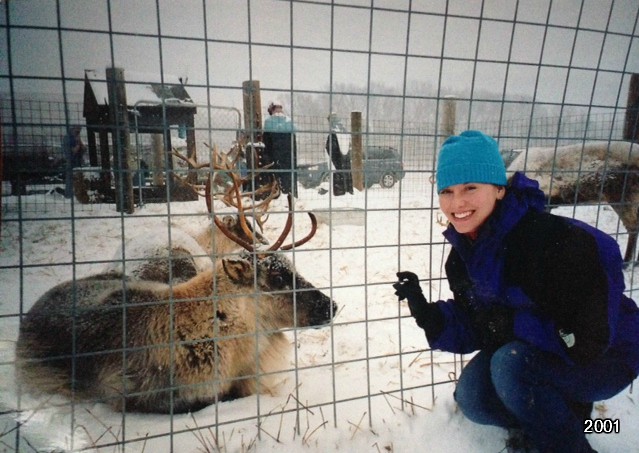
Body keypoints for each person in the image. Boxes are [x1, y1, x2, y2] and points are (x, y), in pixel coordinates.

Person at [393, 130, 639, 453]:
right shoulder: (463, 257)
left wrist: (514, 325)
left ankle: (569, 443)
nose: (457, 202)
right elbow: (480, 325)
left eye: (470, 187)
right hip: (539, 351)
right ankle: (554, 423)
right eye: (447, 191)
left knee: (509, 367)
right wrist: (430, 316)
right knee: (473, 396)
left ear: (499, 189)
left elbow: (588, 334)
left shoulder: (546, 240)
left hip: (607, 353)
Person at [263, 100, 297, 197]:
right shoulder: (289, 122)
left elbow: (267, 143)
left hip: (274, 155)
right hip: (288, 156)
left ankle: (275, 193)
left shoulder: (268, 122)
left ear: (271, 110)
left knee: (274, 176)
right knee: (288, 177)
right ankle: (290, 194)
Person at [325, 112, 353, 196]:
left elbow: (330, 149)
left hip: (336, 164)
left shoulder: (333, 134)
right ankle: (347, 189)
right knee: (346, 175)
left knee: (337, 180)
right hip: (346, 163)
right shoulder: (345, 132)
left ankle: (339, 192)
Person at [63, 125, 86, 198]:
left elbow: (83, 149)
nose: (78, 132)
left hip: (78, 161)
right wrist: (78, 145)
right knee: (71, 178)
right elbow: (71, 151)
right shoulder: (68, 138)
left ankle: (76, 193)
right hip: (71, 161)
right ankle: (69, 194)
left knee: (78, 177)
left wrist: (81, 145)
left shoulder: (77, 137)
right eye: (77, 130)